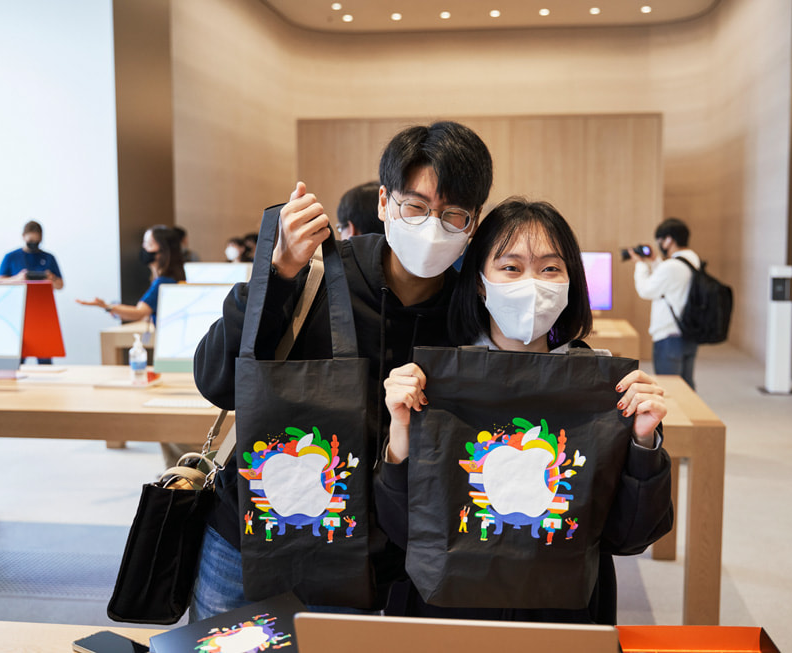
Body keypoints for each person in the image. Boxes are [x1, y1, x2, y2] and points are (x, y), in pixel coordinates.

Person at [191, 120, 494, 621]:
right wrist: (276, 274)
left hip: (374, 560)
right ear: (384, 203)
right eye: (415, 207)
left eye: (453, 214)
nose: (431, 226)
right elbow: (217, 382)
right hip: (252, 535)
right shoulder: (314, 276)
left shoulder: (474, 316)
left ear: (474, 223)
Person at [376, 198, 673, 623]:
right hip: (448, 617)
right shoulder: (433, 382)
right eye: (511, 268)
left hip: (562, 615)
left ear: (571, 282)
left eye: (550, 269)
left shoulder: (605, 389)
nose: (532, 283)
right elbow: (401, 531)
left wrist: (643, 441)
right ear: (480, 282)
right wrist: (401, 433)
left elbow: (631, 537)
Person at [629, 217, 701, 389]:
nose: (660, 244)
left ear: (669, 240)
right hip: (689, 333)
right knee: (687, 387)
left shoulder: (672, 266)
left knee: (669, 388)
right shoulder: (692, 260)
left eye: (660, 240)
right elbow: (670, 282)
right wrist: (654, 262)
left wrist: (640, 264)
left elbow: (646, 290)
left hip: (669, 336)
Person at [76, 224, 184, 323]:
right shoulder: (168, 279)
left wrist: (106, 306)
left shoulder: (164, 282)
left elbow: (139, 312)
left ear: (162, 250)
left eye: (148, 244)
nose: (143, 247)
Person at [0, 220, 64, 290]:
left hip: (42, 297)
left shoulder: (49, 258)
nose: (34, 244)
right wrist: (17, 279)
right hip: (18, 297)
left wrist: (51, 279)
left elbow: (60, 285)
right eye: (31, 241)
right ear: (23, 236)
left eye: (37, 241)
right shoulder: (11, 257)